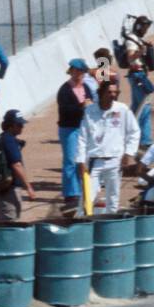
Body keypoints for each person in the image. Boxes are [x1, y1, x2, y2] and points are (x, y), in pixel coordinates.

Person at [74, 79, 140, 214]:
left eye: (115, 92)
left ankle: (111, 229)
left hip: (115, 160)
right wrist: (81, 161)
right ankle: (81, 225)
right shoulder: (90, 111)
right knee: (87, 198)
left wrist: (128, 154)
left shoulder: (122, 110)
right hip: (94, 161)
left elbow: (134, 132)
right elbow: (82, 137)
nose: (112, 95)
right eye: (109, 92)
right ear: (101, 93)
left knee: (113, 199)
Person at [56, 59, 93, 210]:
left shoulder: (87, 87)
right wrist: (81, 106)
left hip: (83, 128)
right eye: (75, 71)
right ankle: (72, 193)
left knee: (83, 160)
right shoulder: (65, 90)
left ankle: (83, 190)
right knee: (71, 160)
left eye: (81, 71)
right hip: (70, 128)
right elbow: (65, 110)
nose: (78, 74)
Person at [0, 109, 35, 221]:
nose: (22, 127)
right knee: (9, 224)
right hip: (9, 190)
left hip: (3, 187)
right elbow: (17, 165)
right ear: (10, 125)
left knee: (2, 222)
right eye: (19, 124)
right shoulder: (9, 141)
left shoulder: (4, 138)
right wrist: (28, 187)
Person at [121, 15, 154, 149]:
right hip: (137, 76)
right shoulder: (131, 41)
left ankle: (127, 134)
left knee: (136, 108)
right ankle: (145, 141)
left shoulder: (136, 39)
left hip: (138, 75)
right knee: (145, 107)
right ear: (138, 26)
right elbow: (130, 57)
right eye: (145, 27)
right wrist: (140, 52)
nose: (146, 30)